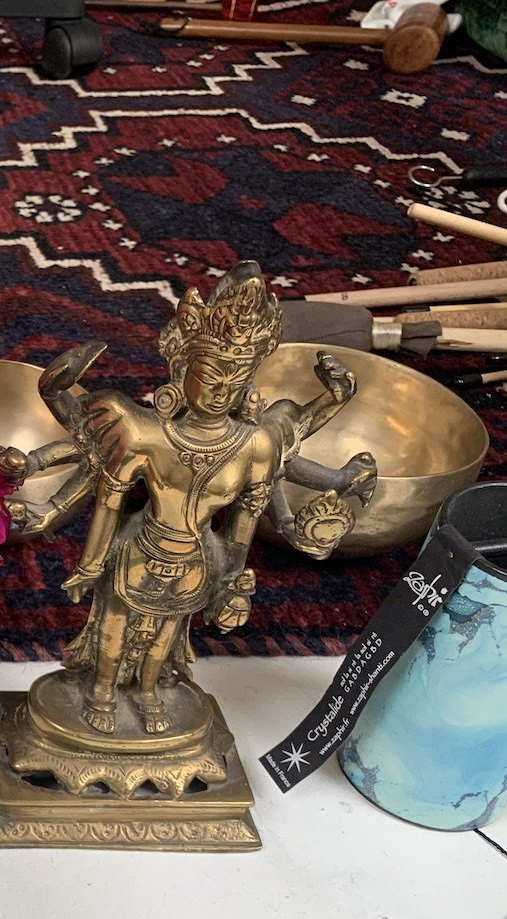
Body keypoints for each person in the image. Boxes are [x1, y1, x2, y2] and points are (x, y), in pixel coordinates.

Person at [53, 263, 356, 736]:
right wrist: (90, 565)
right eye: (211, 374)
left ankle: (151, 691)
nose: (221, 390)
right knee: (114, 624)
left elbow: (243, 526)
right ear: (181, 368)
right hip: (140, 548)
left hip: (199, 557)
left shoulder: (254, 446)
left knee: (167, 633)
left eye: (235, 378)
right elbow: (110, 503)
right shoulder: (143, 432)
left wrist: (230, 580)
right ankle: (101, 691)